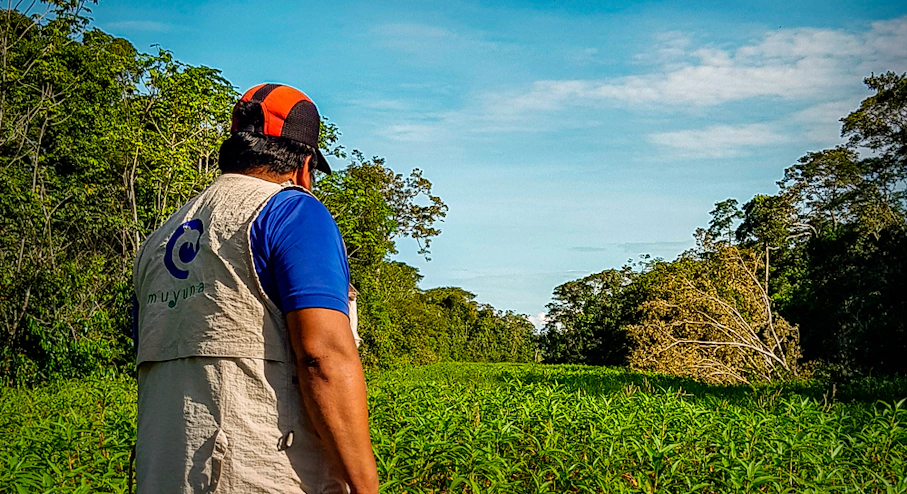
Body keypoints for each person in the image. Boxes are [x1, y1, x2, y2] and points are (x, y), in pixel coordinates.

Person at [132, 83, 379, 493]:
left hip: (162, 472)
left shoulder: (159, 238)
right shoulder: (292, 211)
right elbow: (323, 358)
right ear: (303, 165)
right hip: (254, 471)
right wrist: (365, 487)